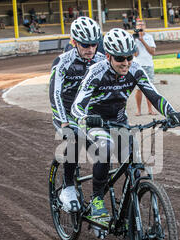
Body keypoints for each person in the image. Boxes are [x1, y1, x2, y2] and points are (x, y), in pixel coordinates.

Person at [71, 28, 180, 218]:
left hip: (120, 122)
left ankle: (129, 210)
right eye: (120, 58)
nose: (125, 63)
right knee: (106, 147)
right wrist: (84, 118)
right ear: (108, 56)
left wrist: (171, 113)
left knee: (136, 166)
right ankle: (97, 198)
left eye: (129, 57)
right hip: (96, 122)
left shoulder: (135, 69)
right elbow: (76, 106)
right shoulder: (95, 72)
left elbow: (154, 96)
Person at [50, 17, 106, 213]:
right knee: (74, 138)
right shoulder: (63, 62)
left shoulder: (101, 60)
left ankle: (97, 203)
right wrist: (64, 123)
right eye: (85, 45)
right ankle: (68, 187)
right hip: (64, 112)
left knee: (103, 149)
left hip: (86, 113)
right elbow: (55, 93)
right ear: (74, 41)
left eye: (94, 44)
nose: (91, 49)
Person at [133, 20, 157, 116]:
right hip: (138, 65)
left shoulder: (149, 37)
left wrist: (142, 40)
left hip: (148, 65)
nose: (140, 26)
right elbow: (135, 54)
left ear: (145, 26)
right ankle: (138, 110)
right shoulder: (133, 38)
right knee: (138, 89)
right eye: (139, 25)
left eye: (142, 24)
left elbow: (152, 52)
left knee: (149, 88)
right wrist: (136, 40)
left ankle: (150, 109)